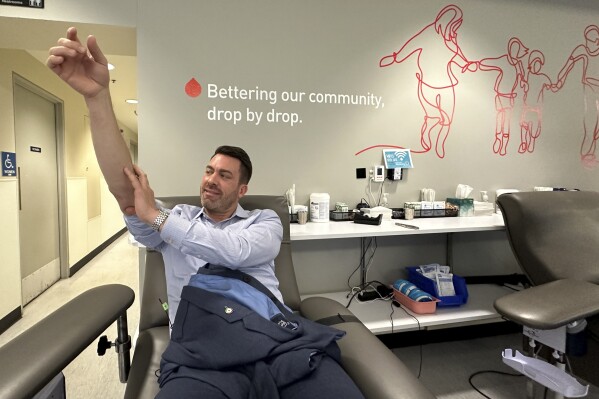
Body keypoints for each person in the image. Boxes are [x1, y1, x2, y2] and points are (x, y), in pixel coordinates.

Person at [47, 27, 364, 398]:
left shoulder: (264, 221)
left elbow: (234, 252)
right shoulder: (176, 218)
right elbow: (125, 188)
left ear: (242, 189)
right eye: (209, 170)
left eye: (224, 175)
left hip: (277, 337)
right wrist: (98, 99)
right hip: (201, 352)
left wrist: (159, 219)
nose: (211, 180)